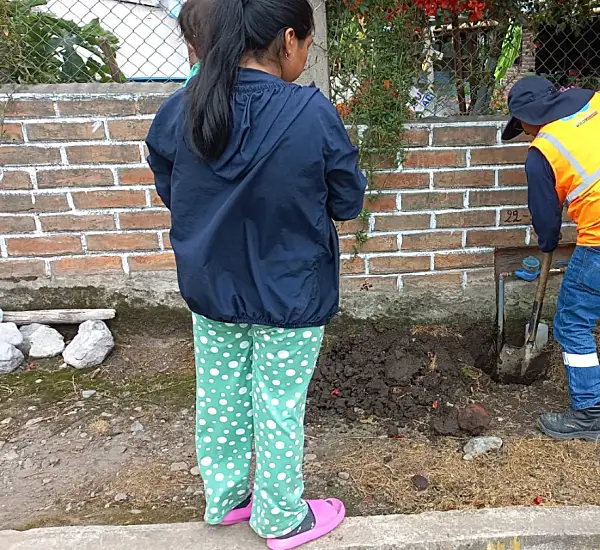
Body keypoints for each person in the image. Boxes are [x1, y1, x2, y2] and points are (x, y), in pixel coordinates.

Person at [145, 0, 367, 547]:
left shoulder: (181, 109)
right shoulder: (312, 113)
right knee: (278, 405)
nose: (305, 54)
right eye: (308, 45)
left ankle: (225, 499)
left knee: (219, 394)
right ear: (288, 40)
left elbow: (171, 185)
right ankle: (280, 517)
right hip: (291, 293)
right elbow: (347, 201)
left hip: (213, 288)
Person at [502, 75, 600, 441]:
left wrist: (547, 242)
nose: (525, 134)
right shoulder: (595, 105)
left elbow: (545, 218)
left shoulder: (543, 151)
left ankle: (589, 412)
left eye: (522, 126)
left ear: (531, 116)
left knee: (573, 323)